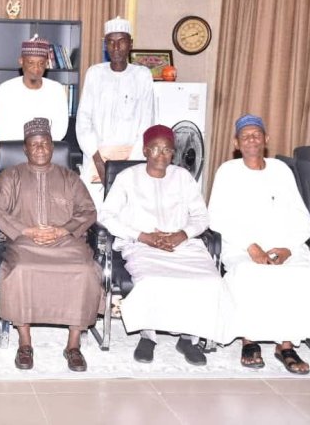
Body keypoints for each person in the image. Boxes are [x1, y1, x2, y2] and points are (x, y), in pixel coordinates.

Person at [208, 114, 310, 374]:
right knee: (250, 274)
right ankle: (250, 340)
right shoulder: (227, 171)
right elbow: (217, 217)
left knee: (307, 277)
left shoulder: (281, 170)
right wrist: (252, 247)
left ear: (266, 139)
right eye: (246, 136)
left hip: (285, 245)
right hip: (242, 246)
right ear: (236, 143)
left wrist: (288, 247)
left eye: (257, 135)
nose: (252, 140)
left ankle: (286, 345)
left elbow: (301, 214)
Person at [99, 125, 231, 366]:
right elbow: (106, 215)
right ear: (145, 150)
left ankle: (188, 339)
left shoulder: (183, 177)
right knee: (152, 280)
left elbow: (201, 217)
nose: (162, 155)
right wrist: (142, 236)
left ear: (173, 153)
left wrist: (182, 234)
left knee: (210, 282)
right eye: (156, 149)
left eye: (167, 150)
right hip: (142, 245)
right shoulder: (128, 178)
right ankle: (147, 336)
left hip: (183, 245)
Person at [0, 117, 102, 372]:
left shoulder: (69, 178)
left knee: (84, 271)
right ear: (25, 149)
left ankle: (73, 345)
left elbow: (88, 210)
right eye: (34, 144)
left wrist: (64, 229)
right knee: (22, 270)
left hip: (66, 243)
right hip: (25, 242)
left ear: (53, 147)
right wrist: (25, 230)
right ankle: (25, 342)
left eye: (45, 144)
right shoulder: (10, 176)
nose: (40, 149)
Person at [75, 16, 154, 206]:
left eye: (121, 41)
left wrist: (127, 165)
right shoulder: (94, 73)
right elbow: (83, 120)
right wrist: (99, 161)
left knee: (127, 212)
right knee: (95, 215)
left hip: (130, 160)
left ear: (130, 44)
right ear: (105, 45)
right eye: (111, 42)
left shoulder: (142, 75)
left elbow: (146, 124)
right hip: (96, 159)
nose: (116, 48)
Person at [0, 36, 68, 142]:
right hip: (13, 150)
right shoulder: (5, 90)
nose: (36, 68)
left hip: (45, 152)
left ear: (46, 64)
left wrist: (39, 147)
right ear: (21, 61)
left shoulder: (57, 90)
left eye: (41, 63)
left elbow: (60, 129)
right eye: (31, 63)